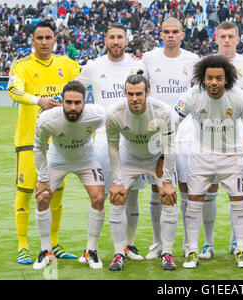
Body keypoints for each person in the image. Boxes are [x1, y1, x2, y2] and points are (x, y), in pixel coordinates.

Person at [7, 20, 80, 265]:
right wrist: (39, 101)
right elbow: (14, 91)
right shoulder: (22, 66)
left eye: (49, 37)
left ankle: (54, 243)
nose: (44, 42)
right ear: (32, 40)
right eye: (40, 38)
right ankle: (23, 245)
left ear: (55, 39)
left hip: (60, 142)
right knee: (27, 192)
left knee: (57, 192)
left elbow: (83, 84)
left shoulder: (67, 65)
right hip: (30, 141)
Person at [75, 23, 147, 262]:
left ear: (127, 40)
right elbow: (75, 89)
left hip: (132, 139)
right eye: (112, 37)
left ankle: (128, 245)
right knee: (99, 194)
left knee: (132, 195)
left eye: (120, 37)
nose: (116, 41)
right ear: (105, 40)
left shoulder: (138, 65)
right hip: (104, 139)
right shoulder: (94, 66)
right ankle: (90, 248)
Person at [175, 55, 243, 269]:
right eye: (209, 78)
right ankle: (192, 250)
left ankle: (241, 249)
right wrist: (165, 153)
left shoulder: (239, 97)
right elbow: (173, 120)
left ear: (227, 79)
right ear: (202, 78)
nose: (213, 83)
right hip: (201, 156)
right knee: (194, 202)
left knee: (238, 202)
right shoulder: (192, 95)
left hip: (232, 156)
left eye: (219, 78)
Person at [141, 17, 203, 259]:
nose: (170, 35)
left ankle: (189, 244)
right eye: (166, 31)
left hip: (186, 132)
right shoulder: (148, 59)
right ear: (160, 33)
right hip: (158, 131)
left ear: (182, 34)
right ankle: (158, 243)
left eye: (175, 31)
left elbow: (198, 94)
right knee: (158, 190)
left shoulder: (193, 60)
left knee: (187, 188)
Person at [105, 73, 179, 271]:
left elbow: (170, 146)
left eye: (139, 93)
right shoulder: (114, 113)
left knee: (168, 196)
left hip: (156, 158)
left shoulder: (164, 112)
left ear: (148, 92)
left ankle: (167, 253)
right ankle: (119, 252)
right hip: (130, 159)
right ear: (124, 93)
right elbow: (113, 147)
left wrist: (168, 179)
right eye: (130, 94)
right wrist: (117, 179)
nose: (135, 98)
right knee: (118, 196)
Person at [32, 80, 106, 270]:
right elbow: (39, 148)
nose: (72, 107)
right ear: (62, 101)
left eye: (77, 102)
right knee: (42, 198)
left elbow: (114, 130)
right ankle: (46, 251)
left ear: (84, 102)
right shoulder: (47, 119)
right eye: (68, 102)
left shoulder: (97, 115)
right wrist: (42, 178)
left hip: (86, 159)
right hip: (57, 160)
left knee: (98, 198)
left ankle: (91, 251)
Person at [215, 21, 243, 256]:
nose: (227, 40)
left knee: (238, 190)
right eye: (223, 36)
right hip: (211, 135)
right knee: (208, 190)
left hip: (240, 135)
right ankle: (208, 243)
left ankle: (235, 241)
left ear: (237, 40)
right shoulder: (208, 63)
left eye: (231, 36)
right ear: (216, 38)